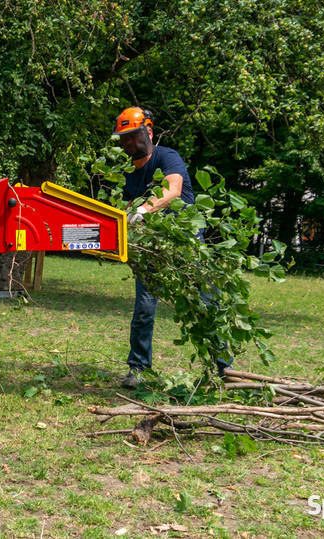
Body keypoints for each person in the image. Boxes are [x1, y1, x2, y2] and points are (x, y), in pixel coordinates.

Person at [113, 106, 232, 389]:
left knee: (207, 304)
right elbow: (127, 208)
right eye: (124, 138)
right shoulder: (129, 173)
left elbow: (172, 189)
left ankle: (224, 370)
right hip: (152, 247)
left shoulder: (167, 157)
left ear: (149, 132)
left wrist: (142, 210)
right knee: (144, 307)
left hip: (187, 244)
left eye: (134, 136)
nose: (129, 142)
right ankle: (138, 369)